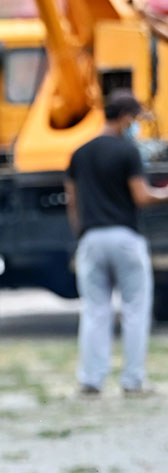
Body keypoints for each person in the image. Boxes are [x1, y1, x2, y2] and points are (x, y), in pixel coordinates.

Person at [65, 90, 168, 396]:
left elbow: (72, 201)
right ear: (124, 118)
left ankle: (91, 380)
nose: (134, 125)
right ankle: (133, 380)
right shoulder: (127, 151)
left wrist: (81, 233)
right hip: (124, 237)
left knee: (95, 311)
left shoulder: (79, 153)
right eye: (134, 119)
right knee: (135, 309)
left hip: (91, 238)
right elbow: (141, 196)